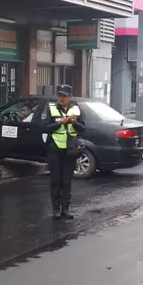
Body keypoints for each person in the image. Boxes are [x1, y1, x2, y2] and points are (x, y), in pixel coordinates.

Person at [41, 85, 84, 219]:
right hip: (54, 148)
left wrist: (74, 122)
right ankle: (56, 209)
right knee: (56, 180)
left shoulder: (76, 110)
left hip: (70, 149)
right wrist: (59, 122)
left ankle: (66, 209)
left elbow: (83, 128)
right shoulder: (51, 109)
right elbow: (44, 127)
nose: (61, 98)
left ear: (69, 97)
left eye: (64, 96)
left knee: (66, 180)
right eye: (60, 95)